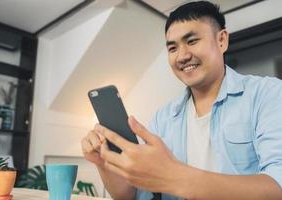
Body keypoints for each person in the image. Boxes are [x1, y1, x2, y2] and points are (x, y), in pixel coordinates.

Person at [81, 1, 282, 199]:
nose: (182, 56)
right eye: (172, 48)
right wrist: (104, 163)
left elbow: (277, 186)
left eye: (192, 41)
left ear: (221, 40)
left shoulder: (268, 94)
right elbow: (135, 195)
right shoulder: (164, 117)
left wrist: (176, 178)